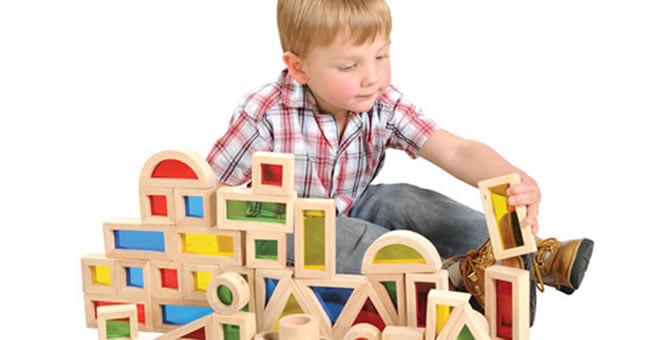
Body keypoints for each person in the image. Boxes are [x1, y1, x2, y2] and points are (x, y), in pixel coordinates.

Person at [206, 0, 593, 325]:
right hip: (287, 235)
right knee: (346, 235)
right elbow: (211, 187)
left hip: (352, 203)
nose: (371, 77)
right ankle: (451, 279)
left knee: (402, 199)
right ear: (299, 68)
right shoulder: (266, 114)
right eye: (348, 66)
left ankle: (521, 252)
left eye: (381, 55)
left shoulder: (382, 103)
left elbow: (453, 149)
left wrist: (515, 179)